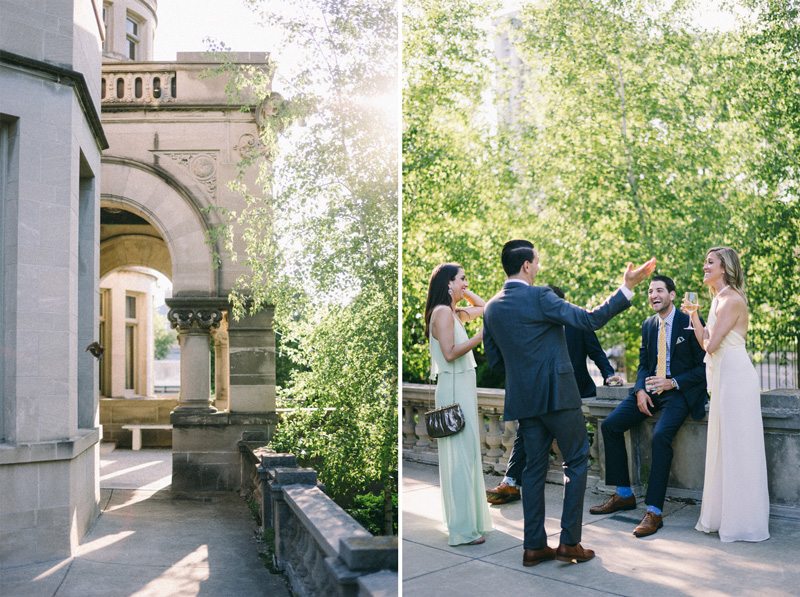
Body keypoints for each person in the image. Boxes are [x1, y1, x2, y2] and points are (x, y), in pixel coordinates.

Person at [483, 240, 655, 567]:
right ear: (527, 266)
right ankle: (569, 543)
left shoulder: (492, 308)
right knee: (576, 462)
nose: (538, 265)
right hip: (559, 395)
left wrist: (526, 374)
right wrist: (626, 288)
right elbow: (590, 319)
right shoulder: (541, 295)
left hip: (525, 400)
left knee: (532, 471)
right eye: (537, 260)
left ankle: (534, 546)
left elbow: (495, 362)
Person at [589, 275, 707, 539]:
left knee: (660, 436)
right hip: (651, 390)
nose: (653, 295)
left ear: (672, 295)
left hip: (679, 393)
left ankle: (653, 511)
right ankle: (623, 494)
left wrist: (672, 382)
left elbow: (704, 368)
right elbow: (643, 363)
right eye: (650, 291)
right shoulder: (648, 325)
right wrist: (640, 389)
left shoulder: (691, 322)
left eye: (659, 290)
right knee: (610, 426)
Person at [486, 285, 623, 505]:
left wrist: (609, 375)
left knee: (573, 454)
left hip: (574, 393)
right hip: (540, 394)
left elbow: (597, 352)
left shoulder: (576, 323)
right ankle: (511, 482)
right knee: (526, 434)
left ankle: (515, 483)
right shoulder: (534, 326)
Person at [683, 247, 769, 542]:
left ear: (724, 268)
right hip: (723, 378)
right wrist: (694, 316)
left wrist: (700, 325)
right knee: (723, 445)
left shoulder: (731, 299)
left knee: (739, 447)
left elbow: (710, 345)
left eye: (710, 262)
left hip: (736, 377)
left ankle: (744, 521)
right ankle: (724, 514)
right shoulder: (718, 299)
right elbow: (705, 339)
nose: (704, 266)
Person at [424, 262, 493, 546]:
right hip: (453, 388)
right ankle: (462, 530)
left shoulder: (452, 311)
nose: (466, 282)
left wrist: (464, 292)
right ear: (447, 283)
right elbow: (450, 353)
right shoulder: (441, 313)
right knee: (459, 460)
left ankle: (468, 522)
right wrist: (479, 337)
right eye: (462, 279)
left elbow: (488, 309)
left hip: (463, 386)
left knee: (467, 456)